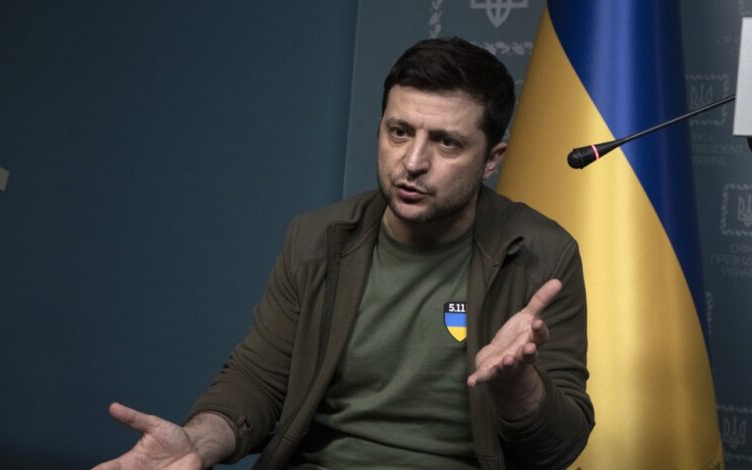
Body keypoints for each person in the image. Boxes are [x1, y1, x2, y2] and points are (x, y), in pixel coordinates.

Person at [94, 37, 594, 470]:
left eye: (446, 143)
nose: (412, 162)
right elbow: (259, 379)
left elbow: (560, 449)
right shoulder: (317, 237)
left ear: (491, 159)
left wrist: (518, 385)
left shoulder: (543, 254)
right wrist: (197, 444)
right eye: (399, 132)